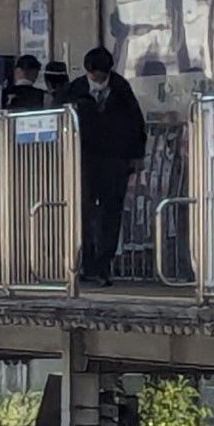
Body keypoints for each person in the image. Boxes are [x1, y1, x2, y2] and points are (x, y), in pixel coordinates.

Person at [64, 46, 146, 288]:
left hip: (114, 159)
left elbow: (136, 123)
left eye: (101, 76)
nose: (97, 81)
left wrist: (136, 156)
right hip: (84, 158)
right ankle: (86, 262)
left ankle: (103, 264)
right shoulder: (75, 90)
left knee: (111, 212)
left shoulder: (121, 89)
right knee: (84, 212)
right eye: (93, 76)